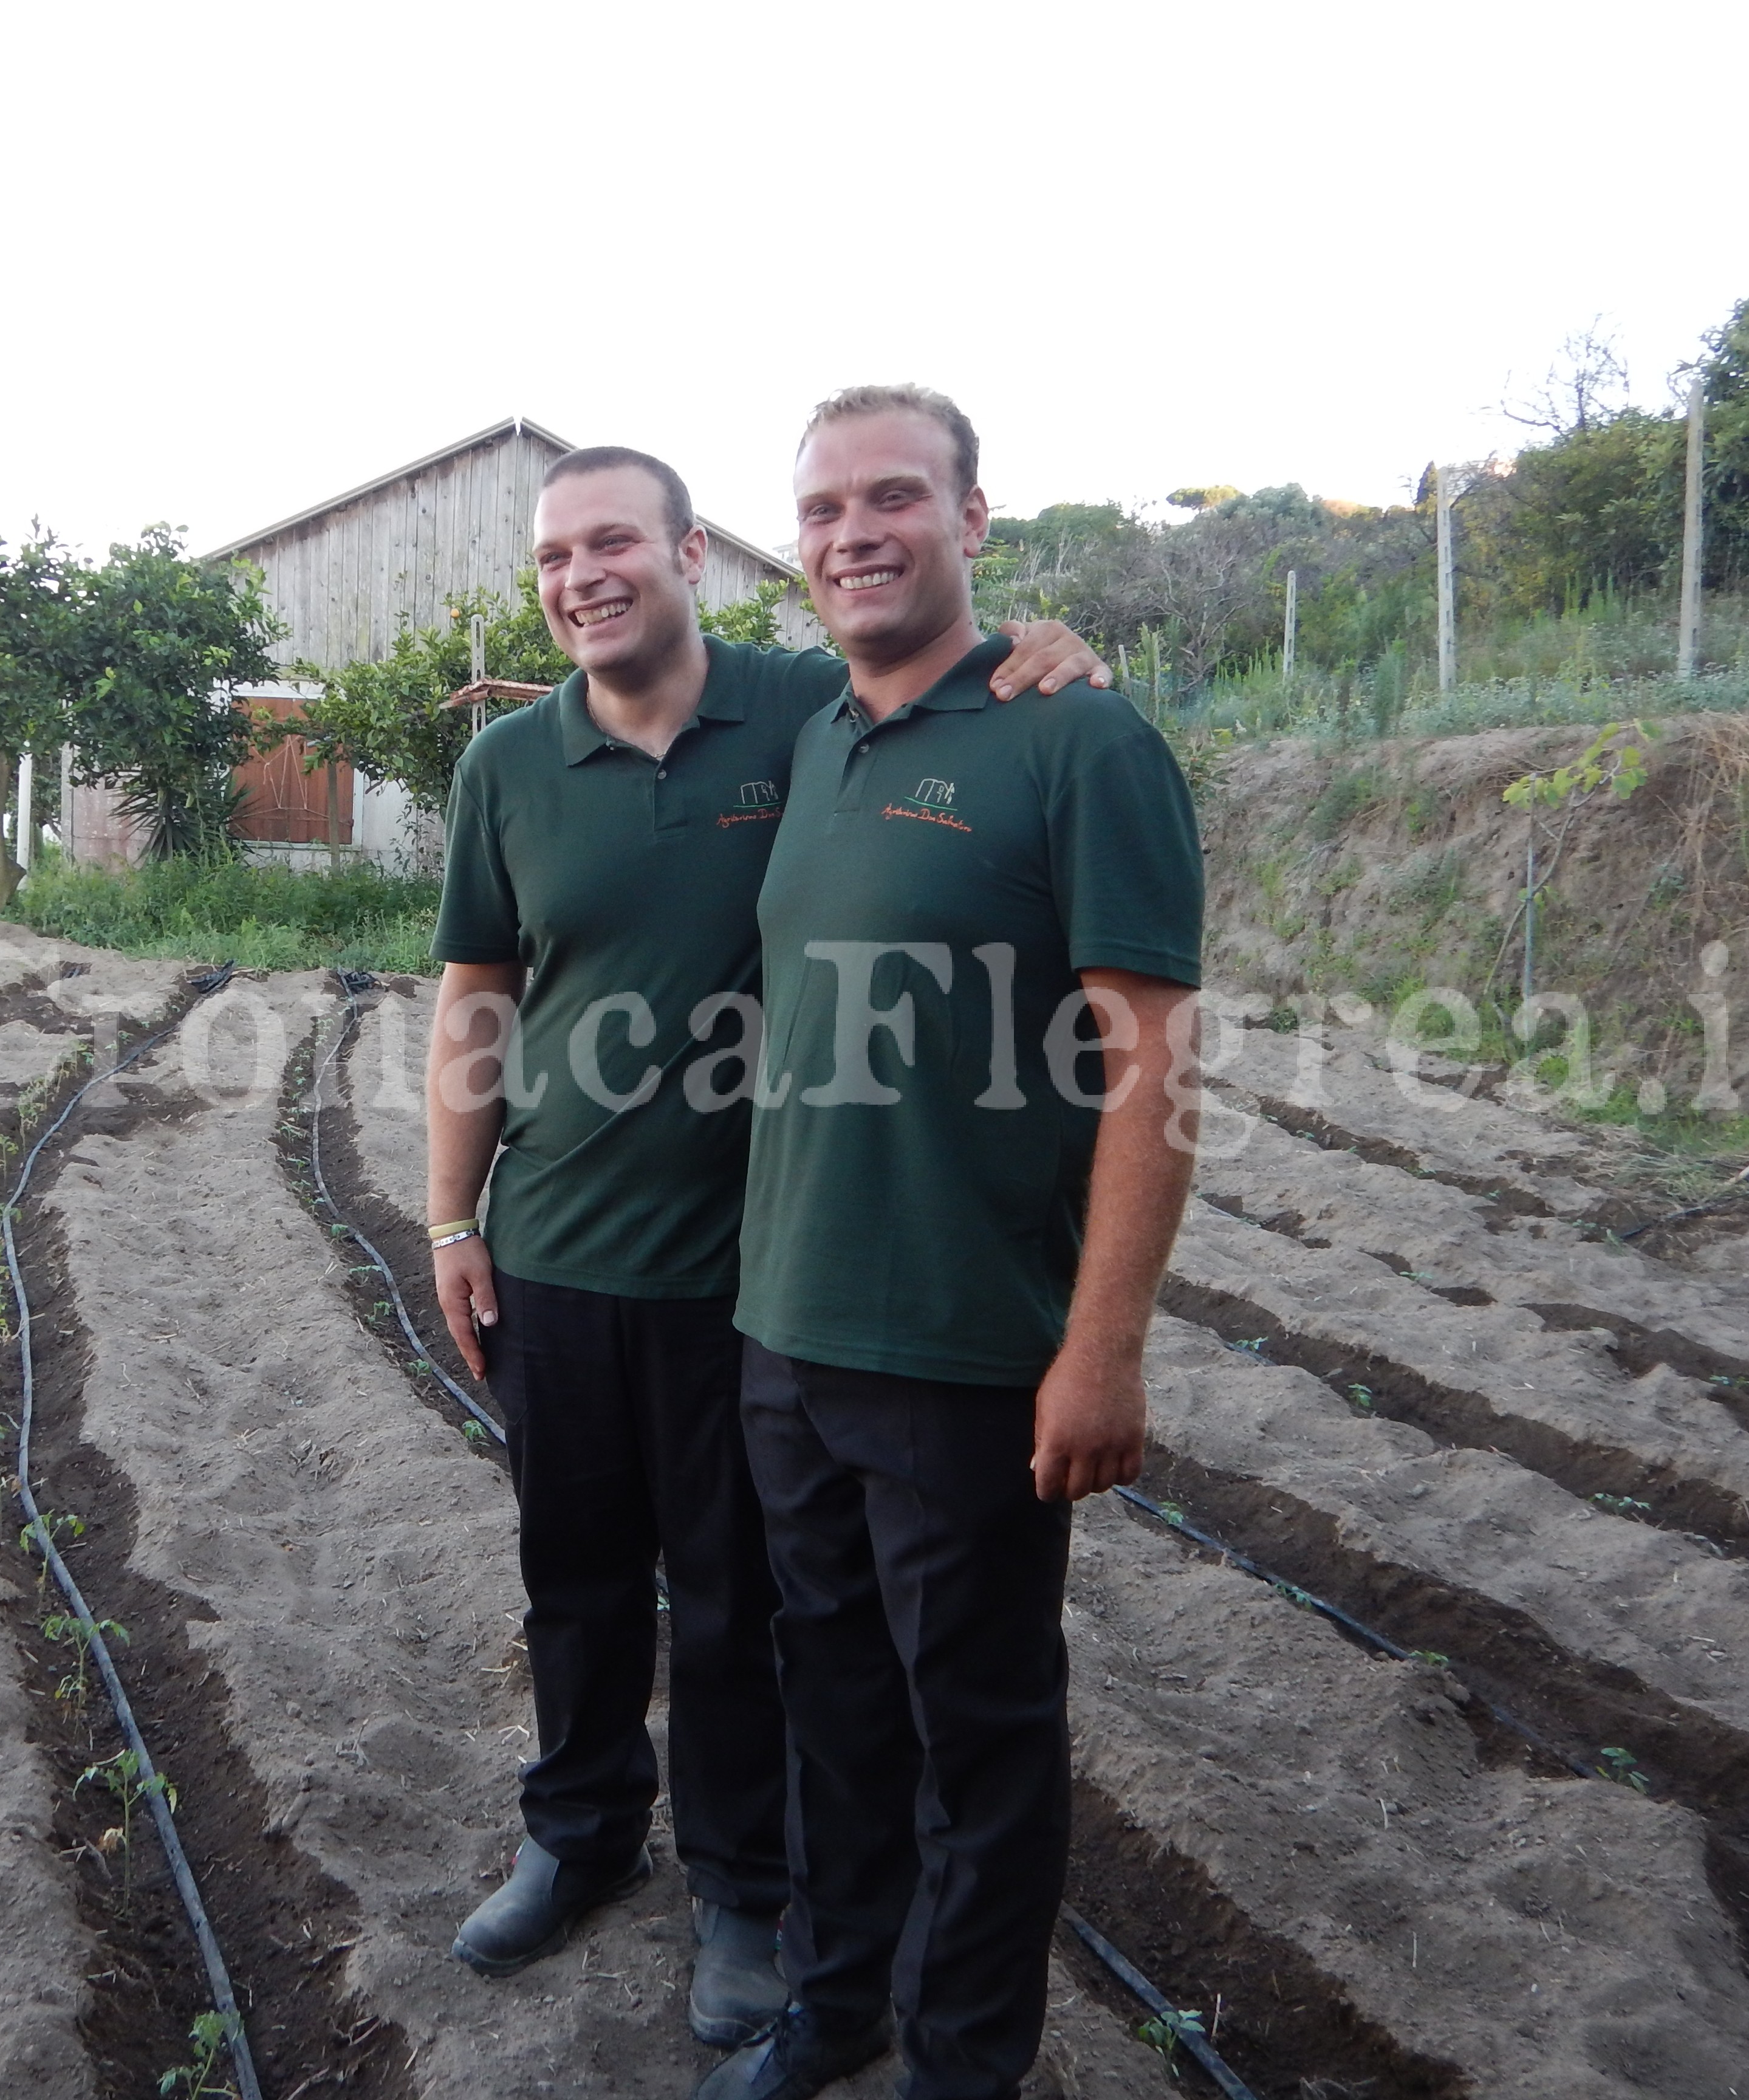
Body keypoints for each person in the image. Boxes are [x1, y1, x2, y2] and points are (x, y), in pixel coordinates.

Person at [425, 443, 1106, 2049]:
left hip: (755, 1266)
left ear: (686, 553)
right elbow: (475, 994)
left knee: (739, 1604)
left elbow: (952, 681)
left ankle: (743, 1884)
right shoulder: (510, 766)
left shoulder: (807, 715)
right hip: (557, 1250)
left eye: (614, 544)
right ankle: (579, 1833)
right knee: (575, 1579)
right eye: (552, 560)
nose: (582, 576)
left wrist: (1053, 651)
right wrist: (453, 1211)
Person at [702, 386, 1204, 2100]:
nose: (856, 535)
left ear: (976, 521)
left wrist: (1106, 1342)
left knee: (977, 1741)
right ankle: (833, 2012)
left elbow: (1154, 1069)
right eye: (826, 509)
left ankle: (963, 2066)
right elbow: (636, 676)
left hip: (967, 1354)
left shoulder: (1081, 742)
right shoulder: (818, 733)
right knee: (831, 1704)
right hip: (785, 1332)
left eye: (895, 499)